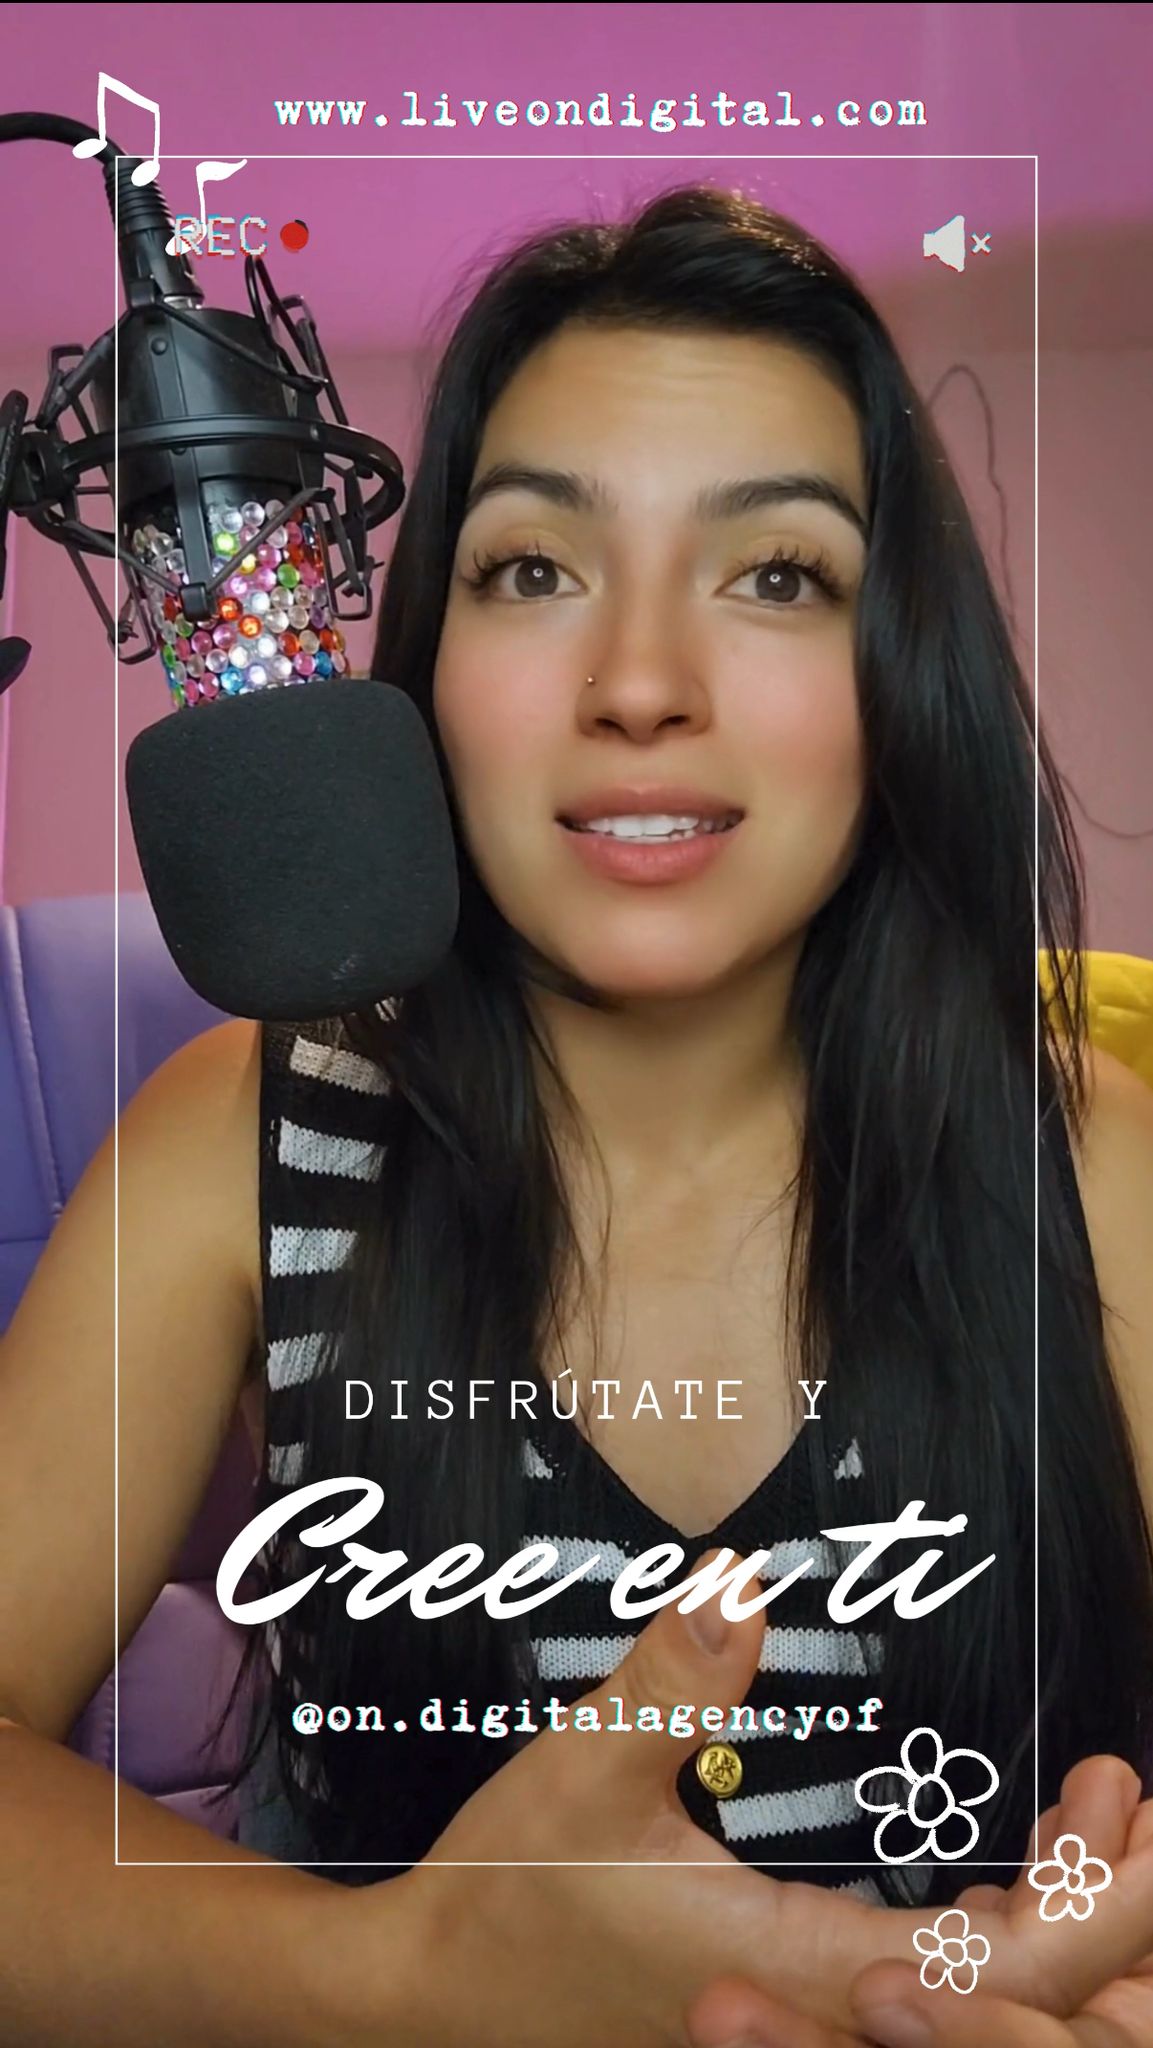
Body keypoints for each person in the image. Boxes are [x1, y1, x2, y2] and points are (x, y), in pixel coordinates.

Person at [1, 182, 1152, 2047]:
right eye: (533, 570)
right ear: (425, 672)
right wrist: (391, 1976)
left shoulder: (1092, 1163)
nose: (636, 687)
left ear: (895, 672)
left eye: (776, 576)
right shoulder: (238, 1141)